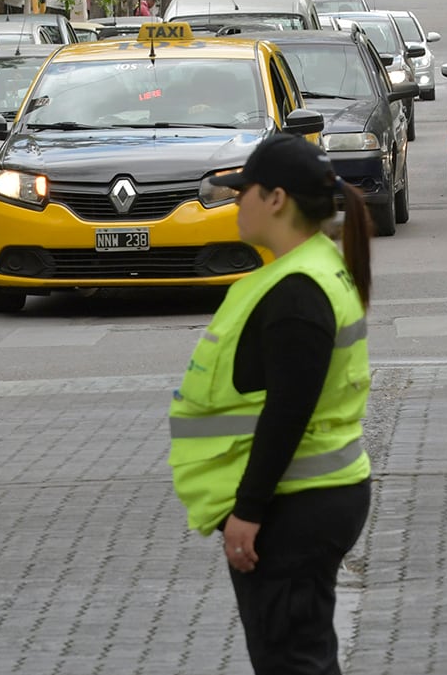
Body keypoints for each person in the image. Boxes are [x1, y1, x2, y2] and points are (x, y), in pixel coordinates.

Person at [169, 133, 374, 675]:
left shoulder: (297, 289)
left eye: (245, 191)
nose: (237, 201)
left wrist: (248, 511)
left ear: (276, 199)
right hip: (311, 498)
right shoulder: (308, 271)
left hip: (294, 507)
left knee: (292, 662)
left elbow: (290, 409)